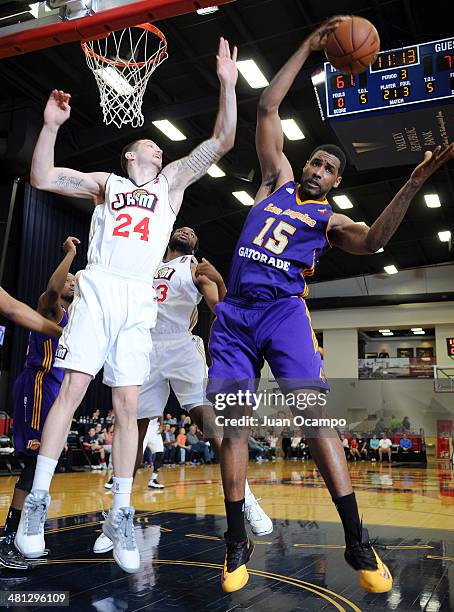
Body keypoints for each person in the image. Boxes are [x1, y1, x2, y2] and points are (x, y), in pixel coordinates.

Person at [206, 16, 453, 594]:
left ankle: (357, 539)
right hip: (235, 314)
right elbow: (267, 109)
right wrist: (308, 46)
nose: (318, 170)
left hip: (285, 312)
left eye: (329, 169)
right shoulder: (275, 180)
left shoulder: (329, 219)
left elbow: (376, 242)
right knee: (235, 427)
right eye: (315, 162)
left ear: (337, 181)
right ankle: (236, 538)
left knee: (316, 423)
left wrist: (413, 182)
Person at [15, 38, 239, 574]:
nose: (160, 152)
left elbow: (223, 140)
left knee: (127, 407)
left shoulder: (172, 185)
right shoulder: (105, 184)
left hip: (140, 296)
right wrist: (50, 126)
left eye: (163, 151)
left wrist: (228, 85)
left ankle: (120, 511)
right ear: (129, 156)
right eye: (151, 148)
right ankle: (36, 507)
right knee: (70, 390)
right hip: (100, 286)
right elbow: (43, 177)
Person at [93, 228, 272, 556]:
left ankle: (245, 499)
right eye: (181, 228)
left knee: (209, 422)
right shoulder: (148, 265)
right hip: (145, 344)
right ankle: (117, 515)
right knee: (134, 428)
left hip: (179, 343)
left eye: (192, 232)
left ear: (195, 245)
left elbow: (223, 311)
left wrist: (218, 281)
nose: (188, 230)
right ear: (169, 239)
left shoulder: (195, 269)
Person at [0, 237, 77, 570]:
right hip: (37, 385)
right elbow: (52, 285)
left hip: (56, 392)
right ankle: (8, 537)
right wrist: (70, 256)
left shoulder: (78, 319)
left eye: (75, 281)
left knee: (42, 465)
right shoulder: (51, 308)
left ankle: (17, 534)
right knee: (33, 465)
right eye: (69, 281)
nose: (72, 283)